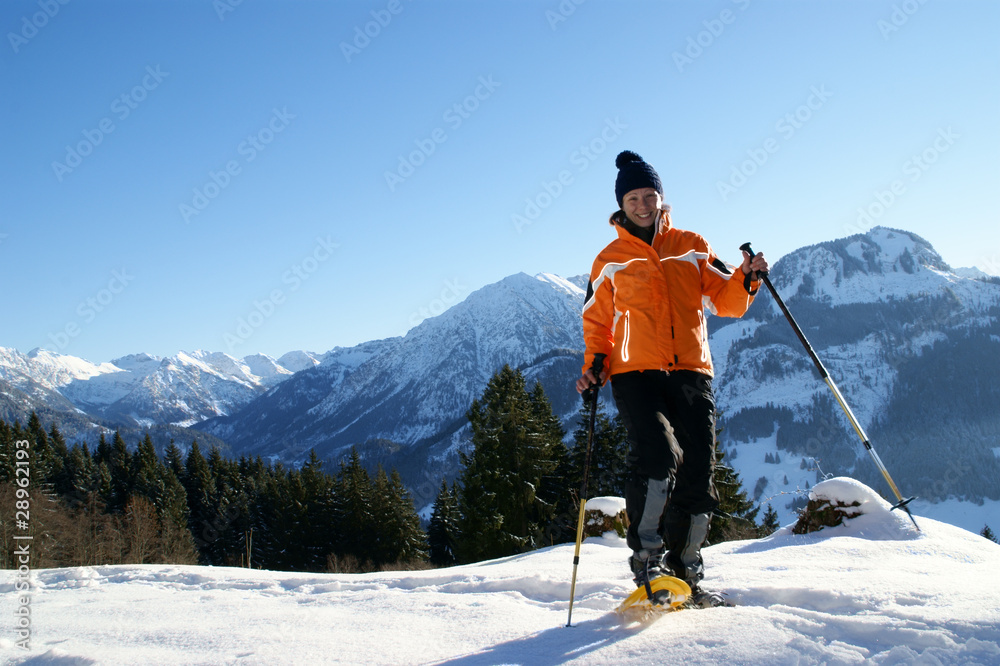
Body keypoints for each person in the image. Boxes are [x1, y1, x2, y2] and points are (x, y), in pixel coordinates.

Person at [576, 150, 768, 608]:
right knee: (660, 458)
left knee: (698, 472)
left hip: (690, 371)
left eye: (649, 195)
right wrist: (594, 363)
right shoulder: (609, 259)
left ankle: (687, 571)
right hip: (634, 373)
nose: (642, 204)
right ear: (621, 205)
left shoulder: (692, 243)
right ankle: (647, 560)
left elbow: (725, 299)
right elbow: (596, 321)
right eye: (633, 198)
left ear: (662, 198)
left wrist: (747, 278)